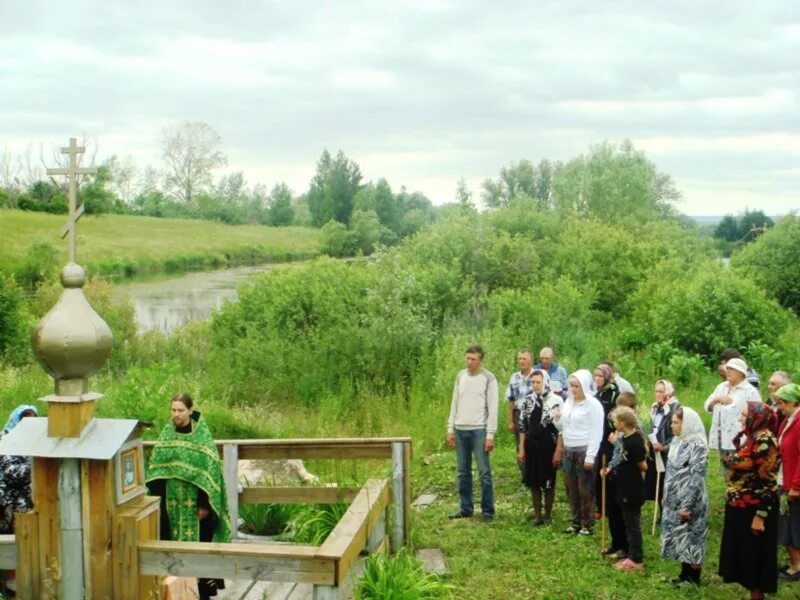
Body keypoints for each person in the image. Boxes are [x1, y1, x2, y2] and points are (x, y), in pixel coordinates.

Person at [146, 393, 231, 600]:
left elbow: (209, 472)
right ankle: (174, 593)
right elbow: (157, 468)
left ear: (190, 411)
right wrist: (156, 500)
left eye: (181, 410)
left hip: (196, 506)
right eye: (173, 410)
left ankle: (200, 593)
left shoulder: (201, 435)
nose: (176, 414)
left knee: (199, 547)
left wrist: (204, 505)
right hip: (170, 504)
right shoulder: (167, 433)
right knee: (169, 545)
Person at [718, 402, 780, 600]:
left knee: (756, 557)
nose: (740, 418)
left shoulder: (765, 441)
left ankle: (757, 595)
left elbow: (769, 482)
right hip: (741, 506)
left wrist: (760, 516)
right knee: (745, 555)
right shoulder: (752, 437)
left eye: (745, 415)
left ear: (758, 417)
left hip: (754, 508)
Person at [447, 344, 498, 522]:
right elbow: (455, 402)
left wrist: (490, 434)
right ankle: (466, 507)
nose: (469, 362)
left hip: (479, 430)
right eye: (467, 358)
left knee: (484, 471)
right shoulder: (461, 376)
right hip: (461, 429)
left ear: (481, 360)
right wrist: (450, 428)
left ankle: (487, 510)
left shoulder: (488, 378)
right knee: (462, 472)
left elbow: (493, 408)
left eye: (473, 359)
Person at [660, 407, 709, 588]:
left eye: (676, 422)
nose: (672, 426)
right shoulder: (677, 441)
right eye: (672, 422)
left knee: (693, 538)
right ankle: (684, 574)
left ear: (686, 423)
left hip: (691, 499)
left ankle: (694, 578)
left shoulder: (698, 446)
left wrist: (687, 506)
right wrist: (667, 495)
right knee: (680, 536)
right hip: (675, 497)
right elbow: (671, 470)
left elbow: (696, 478)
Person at [555, 369, 604, 535]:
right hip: (569, 449)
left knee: (585, 489)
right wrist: (557, 419)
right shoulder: (568, 402)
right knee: (571, 488)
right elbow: (564, 426)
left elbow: (597, 431)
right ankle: (575, 521)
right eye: (571, 386)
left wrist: (590, 456)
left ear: (584, 386)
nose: (573, 389)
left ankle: (587, 523)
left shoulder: (593, 404)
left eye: (577, 386)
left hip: (584, 450)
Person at [517, 369, 563, 526]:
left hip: (549, 445)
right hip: (532, 445)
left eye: (538, 382)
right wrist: (522, 448)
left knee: (548, 481)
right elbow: (523, 426)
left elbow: (561, 429)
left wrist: (558, 450)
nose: (535, 385)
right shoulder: (527, 401)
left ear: (546, 382)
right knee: (534, 480)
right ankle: (537, 515)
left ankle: (548, 515)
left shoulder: (556, 400)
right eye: (533, 382)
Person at [602, 392, 643, 560]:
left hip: (629, 481)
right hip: (617, 476)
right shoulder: (619, 431)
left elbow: (632, 455)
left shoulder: (634, 434)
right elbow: (617, 455)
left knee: (628, 519)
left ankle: (628, 549)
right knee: (614, 511)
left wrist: (616, 443)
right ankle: (617, 542)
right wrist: (609, 468)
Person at [705, 358, 761, 471]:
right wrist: (717, 399)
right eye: (727, 369)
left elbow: (758, 415)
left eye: (731, 369)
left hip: (739, 440)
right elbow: (707, 407)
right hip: (721, 437)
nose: (728, 371)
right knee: (725, 470)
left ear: (741, 373)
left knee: (738, 472)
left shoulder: (750, 391)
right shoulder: (721, 387)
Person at [775, 384, 800, 582]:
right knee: (787, 522)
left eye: (782, 403)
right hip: (784, 478)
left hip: (793, 483)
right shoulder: (788, 420)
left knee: (791, 524)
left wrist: (796, 486)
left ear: (794, 402)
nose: (779, 406)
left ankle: (797, 566)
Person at [0, 405, 38, 534]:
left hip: (23, 492)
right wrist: (37, 468)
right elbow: (11, 471)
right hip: (7, 497)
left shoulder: (32, 440)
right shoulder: (5, 440)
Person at [647, 380, 680, 502]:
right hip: (655, 450)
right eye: (656, 391)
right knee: (658, 483)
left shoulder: (675, 408)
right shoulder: (655, 408)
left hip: (669, 453)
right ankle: (661, 511)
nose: (658, 394)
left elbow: (678, 435)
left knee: (668, 483)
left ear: (668, 392)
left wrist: (664, 447)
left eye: (661, 391)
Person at [593, 364, 619, 518]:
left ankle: (609, 506)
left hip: (609, 438)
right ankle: (599, 506)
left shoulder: (614, 394)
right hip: (597, 437)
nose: (597, 379)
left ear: (607, 377)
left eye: (600, 376)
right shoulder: (597, 393)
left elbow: (616, 417)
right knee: (598, 472)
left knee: (608, 471)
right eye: (595, 376)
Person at [506, 348, 535, 484]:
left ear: (531, 360)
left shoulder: (539, 375)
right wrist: (510, 420)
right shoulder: (514, 377)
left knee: (534, 443)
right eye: (519, 359)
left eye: (524, 358)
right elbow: (511, 400)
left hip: (534, 414)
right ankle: (525, 477)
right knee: (520, 444)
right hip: (519, 414)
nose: (521, 361)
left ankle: (536, 473)